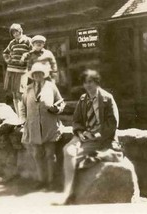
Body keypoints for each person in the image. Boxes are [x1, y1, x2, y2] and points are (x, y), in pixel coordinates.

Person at [59, 69, 119, 204]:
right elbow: (76, 121)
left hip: (100, 137)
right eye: (85, 83)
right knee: (68, 151)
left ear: (97, 82)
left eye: (90, 82)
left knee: (77, 157)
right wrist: (81, 133)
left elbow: (113, 123)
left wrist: (97, 135)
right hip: (84, 135)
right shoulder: (83, 99)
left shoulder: (107, 98)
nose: (87, 86)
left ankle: (72, 194)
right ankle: (68, 191)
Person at [19, 62, 65, 190]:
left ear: (44, 75)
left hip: (49, 126)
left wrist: (57, 109)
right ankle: (41, 180)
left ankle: (51, 182)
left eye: (40, 73)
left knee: (50, 154)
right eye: (35, 74)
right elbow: (22, 106)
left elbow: (61, 103)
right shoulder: (28, 89)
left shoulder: (51, 87)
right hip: (33, 127)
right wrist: (23, 120)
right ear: (32, 76)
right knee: (37, 154)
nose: (37, 75)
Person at [3, 23, 32, 117]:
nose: (15, 34)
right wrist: (8, 60)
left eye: (17, 31)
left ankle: (24, 116)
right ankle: (19, 117)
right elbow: (5, 53)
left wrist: (25, 56)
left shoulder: (27, 40)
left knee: (21, 93)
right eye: (13, 32)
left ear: (21, 30)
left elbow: (33, 51)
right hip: (11, 70)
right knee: (14, 94)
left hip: (22, 70)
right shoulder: (12, 43)